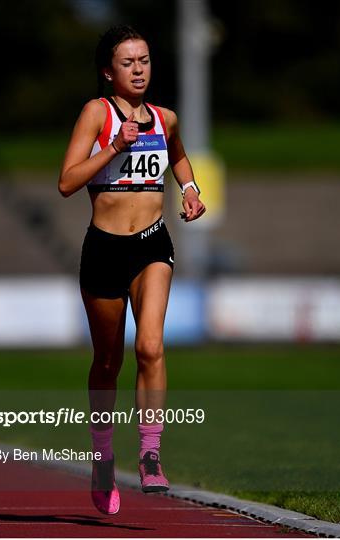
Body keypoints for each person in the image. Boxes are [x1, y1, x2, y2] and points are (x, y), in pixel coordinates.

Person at [58, 25, 206, 515]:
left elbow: (178, 158)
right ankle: (102, 458)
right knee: (107, 362)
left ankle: (150, 453)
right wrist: (116, 146)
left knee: (150, 345)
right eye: (128, 62)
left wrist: (189, 190)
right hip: (104, 248)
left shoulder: (165, 117)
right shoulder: (96, 114)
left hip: (151, 243)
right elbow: (66, 182)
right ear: (108, 71)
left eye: (144, 60)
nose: (139, 69)